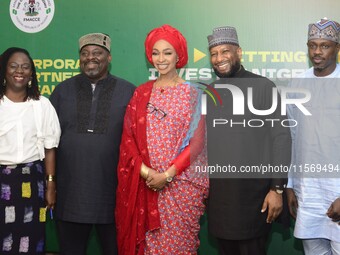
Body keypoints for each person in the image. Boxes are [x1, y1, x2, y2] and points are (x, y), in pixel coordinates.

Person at [115, 24, 209, 255]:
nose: (161, 58)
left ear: (179, 55)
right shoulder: (141, 93)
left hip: (182, 186)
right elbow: (129, 141)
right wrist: (149, 174)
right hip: (146, 185)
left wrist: (167, 176)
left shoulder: (193, 93)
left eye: (167, 52)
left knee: (179, 247)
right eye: (155, 52)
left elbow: (197, 144)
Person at [206, 26, 292, 255]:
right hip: (220, 201)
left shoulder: (263, 86)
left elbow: (281, 139)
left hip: (255, 200)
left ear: (239, 52)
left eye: (225, 51)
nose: (219, 58)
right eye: (214, 54)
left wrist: (277, 189)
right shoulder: (210, 92)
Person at [49, 33, 135, 255]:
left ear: (109, 57)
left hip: (114, 194)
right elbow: (48, 141)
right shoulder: (62, 91)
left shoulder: (129, 92)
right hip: (70, 194)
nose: (90, 58)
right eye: (85, 54)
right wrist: (50, 182)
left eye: (97, 53)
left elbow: (138, 142)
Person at [286, 18, 340, 255]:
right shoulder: (297, 83)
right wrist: (289, 186)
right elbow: (290, 136)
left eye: (325, 45)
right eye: (312, 45)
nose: (317, 52)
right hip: (307, 192)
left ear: (337, 48)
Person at [0, 47, 60, 254]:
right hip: (2, 179)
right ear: (4, 70)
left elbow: (50, 148)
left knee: (31, 237)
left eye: (26, 67)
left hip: (31, 182)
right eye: (14, 66)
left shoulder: (42, 105)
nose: (20, 71)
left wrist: (50, 184)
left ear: (32, 73)